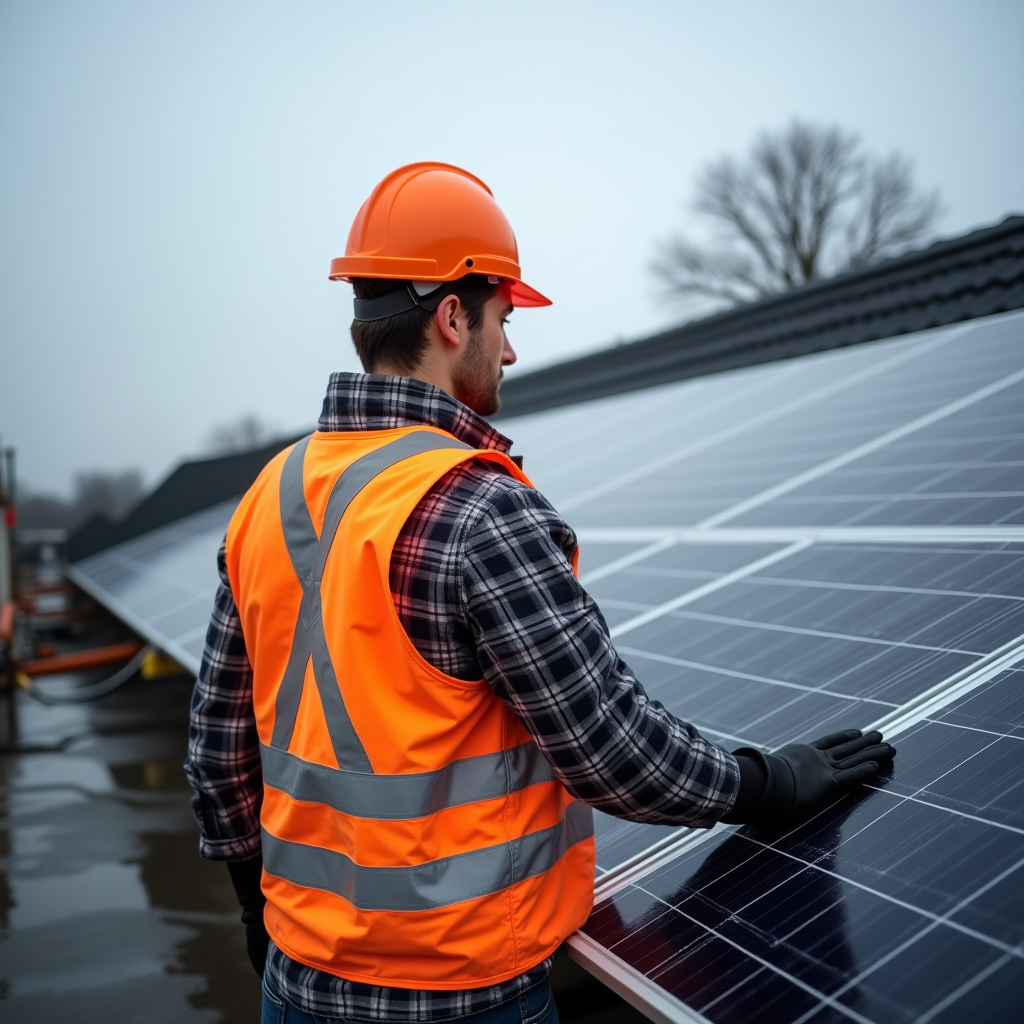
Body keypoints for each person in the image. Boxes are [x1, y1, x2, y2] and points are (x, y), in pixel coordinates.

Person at [185, 162, 895, 1024]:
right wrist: (770, 782)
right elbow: (614, 754)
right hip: (462, 994)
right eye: (504, 318)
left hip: (293, 985)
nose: (511, 349)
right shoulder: (473, 505)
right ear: (453, 317)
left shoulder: (269, 497)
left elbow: (219, 756)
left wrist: (258, 919)